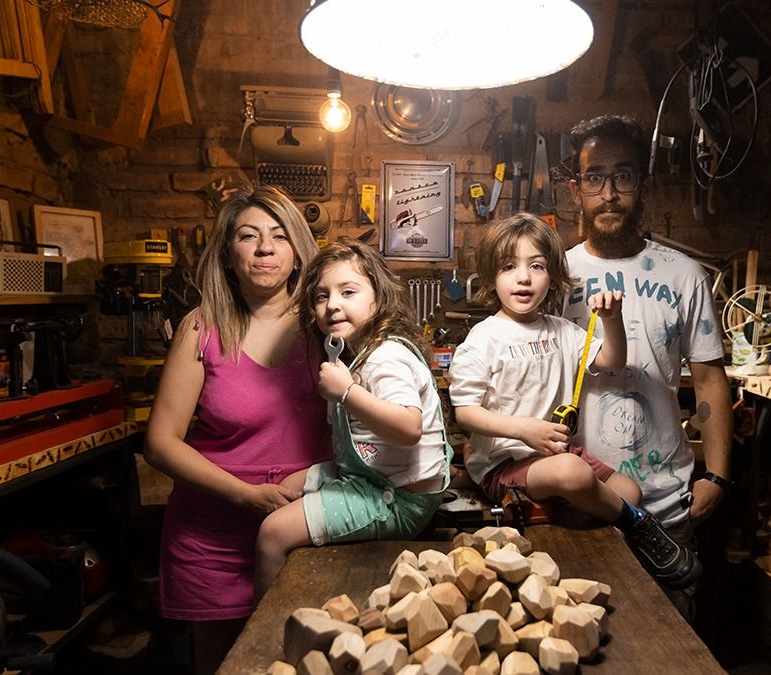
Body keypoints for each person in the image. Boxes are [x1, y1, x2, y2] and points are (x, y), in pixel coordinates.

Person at [448, 213, 700, 589]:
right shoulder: (483, 339)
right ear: (490, 276)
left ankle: (590, 534)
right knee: (572, 473)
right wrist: (524, 430)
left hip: (559, 457)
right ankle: (639, 526)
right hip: (505, 465)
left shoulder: (563, 331)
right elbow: (466, 413)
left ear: (552, 276)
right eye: (508, 266)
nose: (523, 277)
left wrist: (612, 319)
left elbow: (612, 360)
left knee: (630, 491)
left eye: (536, 266)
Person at [144, 186, 331, 675]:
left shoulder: (327, 326)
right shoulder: (201, 329)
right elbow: (160, 443)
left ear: (298, 252)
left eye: (280, 236)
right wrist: (245, 495)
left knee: (308, 662)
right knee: (226, 667)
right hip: (213, 535)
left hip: (306, 523)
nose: (265, 248)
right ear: (228, 254)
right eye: (249, 236)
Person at [561, 114, 734, 620]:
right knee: (575, 640)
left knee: (671, 638)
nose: (609, 193)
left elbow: (709, 378)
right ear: (575, 191)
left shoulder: (684, 275)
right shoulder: (554, 275)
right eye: (594, 177)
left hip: (665, 504)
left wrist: (718, 475)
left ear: (645, 186)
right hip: (579, 499)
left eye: (623, 176)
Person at [253, 242, 452, 597]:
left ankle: (270, 625)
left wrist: (346, 392)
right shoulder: (361, 355)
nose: (332, 304)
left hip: (398, 499)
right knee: (289, 485)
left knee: (272, 533)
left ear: (378, 299)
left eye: (348, 292)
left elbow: (409, 428)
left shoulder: (387, 357)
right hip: (376, 478)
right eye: (322, 295)